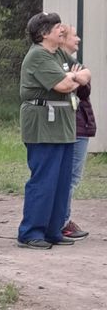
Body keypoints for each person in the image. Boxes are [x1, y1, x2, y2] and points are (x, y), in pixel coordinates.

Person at [17, 12, 91, 250]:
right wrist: (72, 77)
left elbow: (85, 73)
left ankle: (53, 230)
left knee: (61, 181)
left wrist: (74, 75)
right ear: (43, 33)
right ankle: (31, 232)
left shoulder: (58, 53)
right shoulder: (38, 55)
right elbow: (64, 85)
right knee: (45, 180)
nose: (62, 30)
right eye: (57, 27)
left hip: (63, 125)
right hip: (43, 125)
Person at [58, 24, 96, 240]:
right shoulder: (56, 63)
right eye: (74, 36)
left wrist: (78, 76)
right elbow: (73, 86)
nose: (78, 39)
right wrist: (76, 78)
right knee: (70, 177)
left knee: (70, 177)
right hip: (74, 128)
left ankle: (63, 219)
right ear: (62, 39)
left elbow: (85, 82)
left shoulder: (74, 64)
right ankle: (62, 221)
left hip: (80, 126)